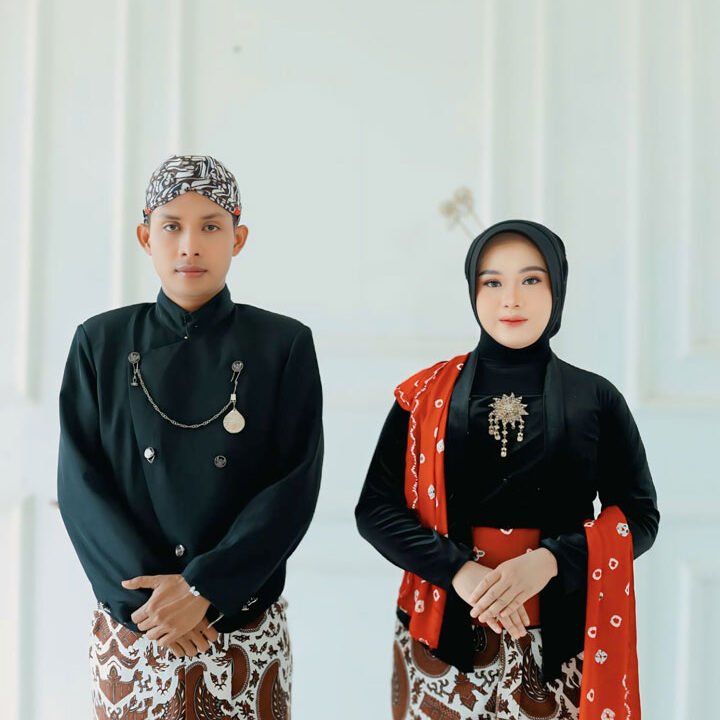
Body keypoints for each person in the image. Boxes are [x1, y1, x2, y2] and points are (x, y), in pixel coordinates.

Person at [355, 219, 659, 720]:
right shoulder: (423, 395)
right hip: (443, 639)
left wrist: (549, 562)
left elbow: (639, 516)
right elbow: (375, 510)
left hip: (562, 642)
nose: (511, 300)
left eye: (531, 279)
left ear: (558, 287)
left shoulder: (596, 399)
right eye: (492, 282)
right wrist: (460, 571)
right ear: (473, 290)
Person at [57, 154, 323, 718]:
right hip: (135, 631)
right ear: (145, 236)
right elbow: (81, 487)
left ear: (238, 238)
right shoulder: (99, 343)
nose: (189, 246)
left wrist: (204, 589)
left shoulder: (284, 345)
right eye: (172, 226)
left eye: (210, 227)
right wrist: (152, 606)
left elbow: (293, 486)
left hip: (241, 624)